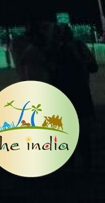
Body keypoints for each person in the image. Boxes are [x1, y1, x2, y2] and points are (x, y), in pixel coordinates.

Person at [47, 23, 97, 172]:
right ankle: (83, 163)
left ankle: (73, 164)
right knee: (80, 131)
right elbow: (93, 67)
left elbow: (92, 67)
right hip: (77, 94)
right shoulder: (74, 48)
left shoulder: (56, 50)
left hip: (69, 95)